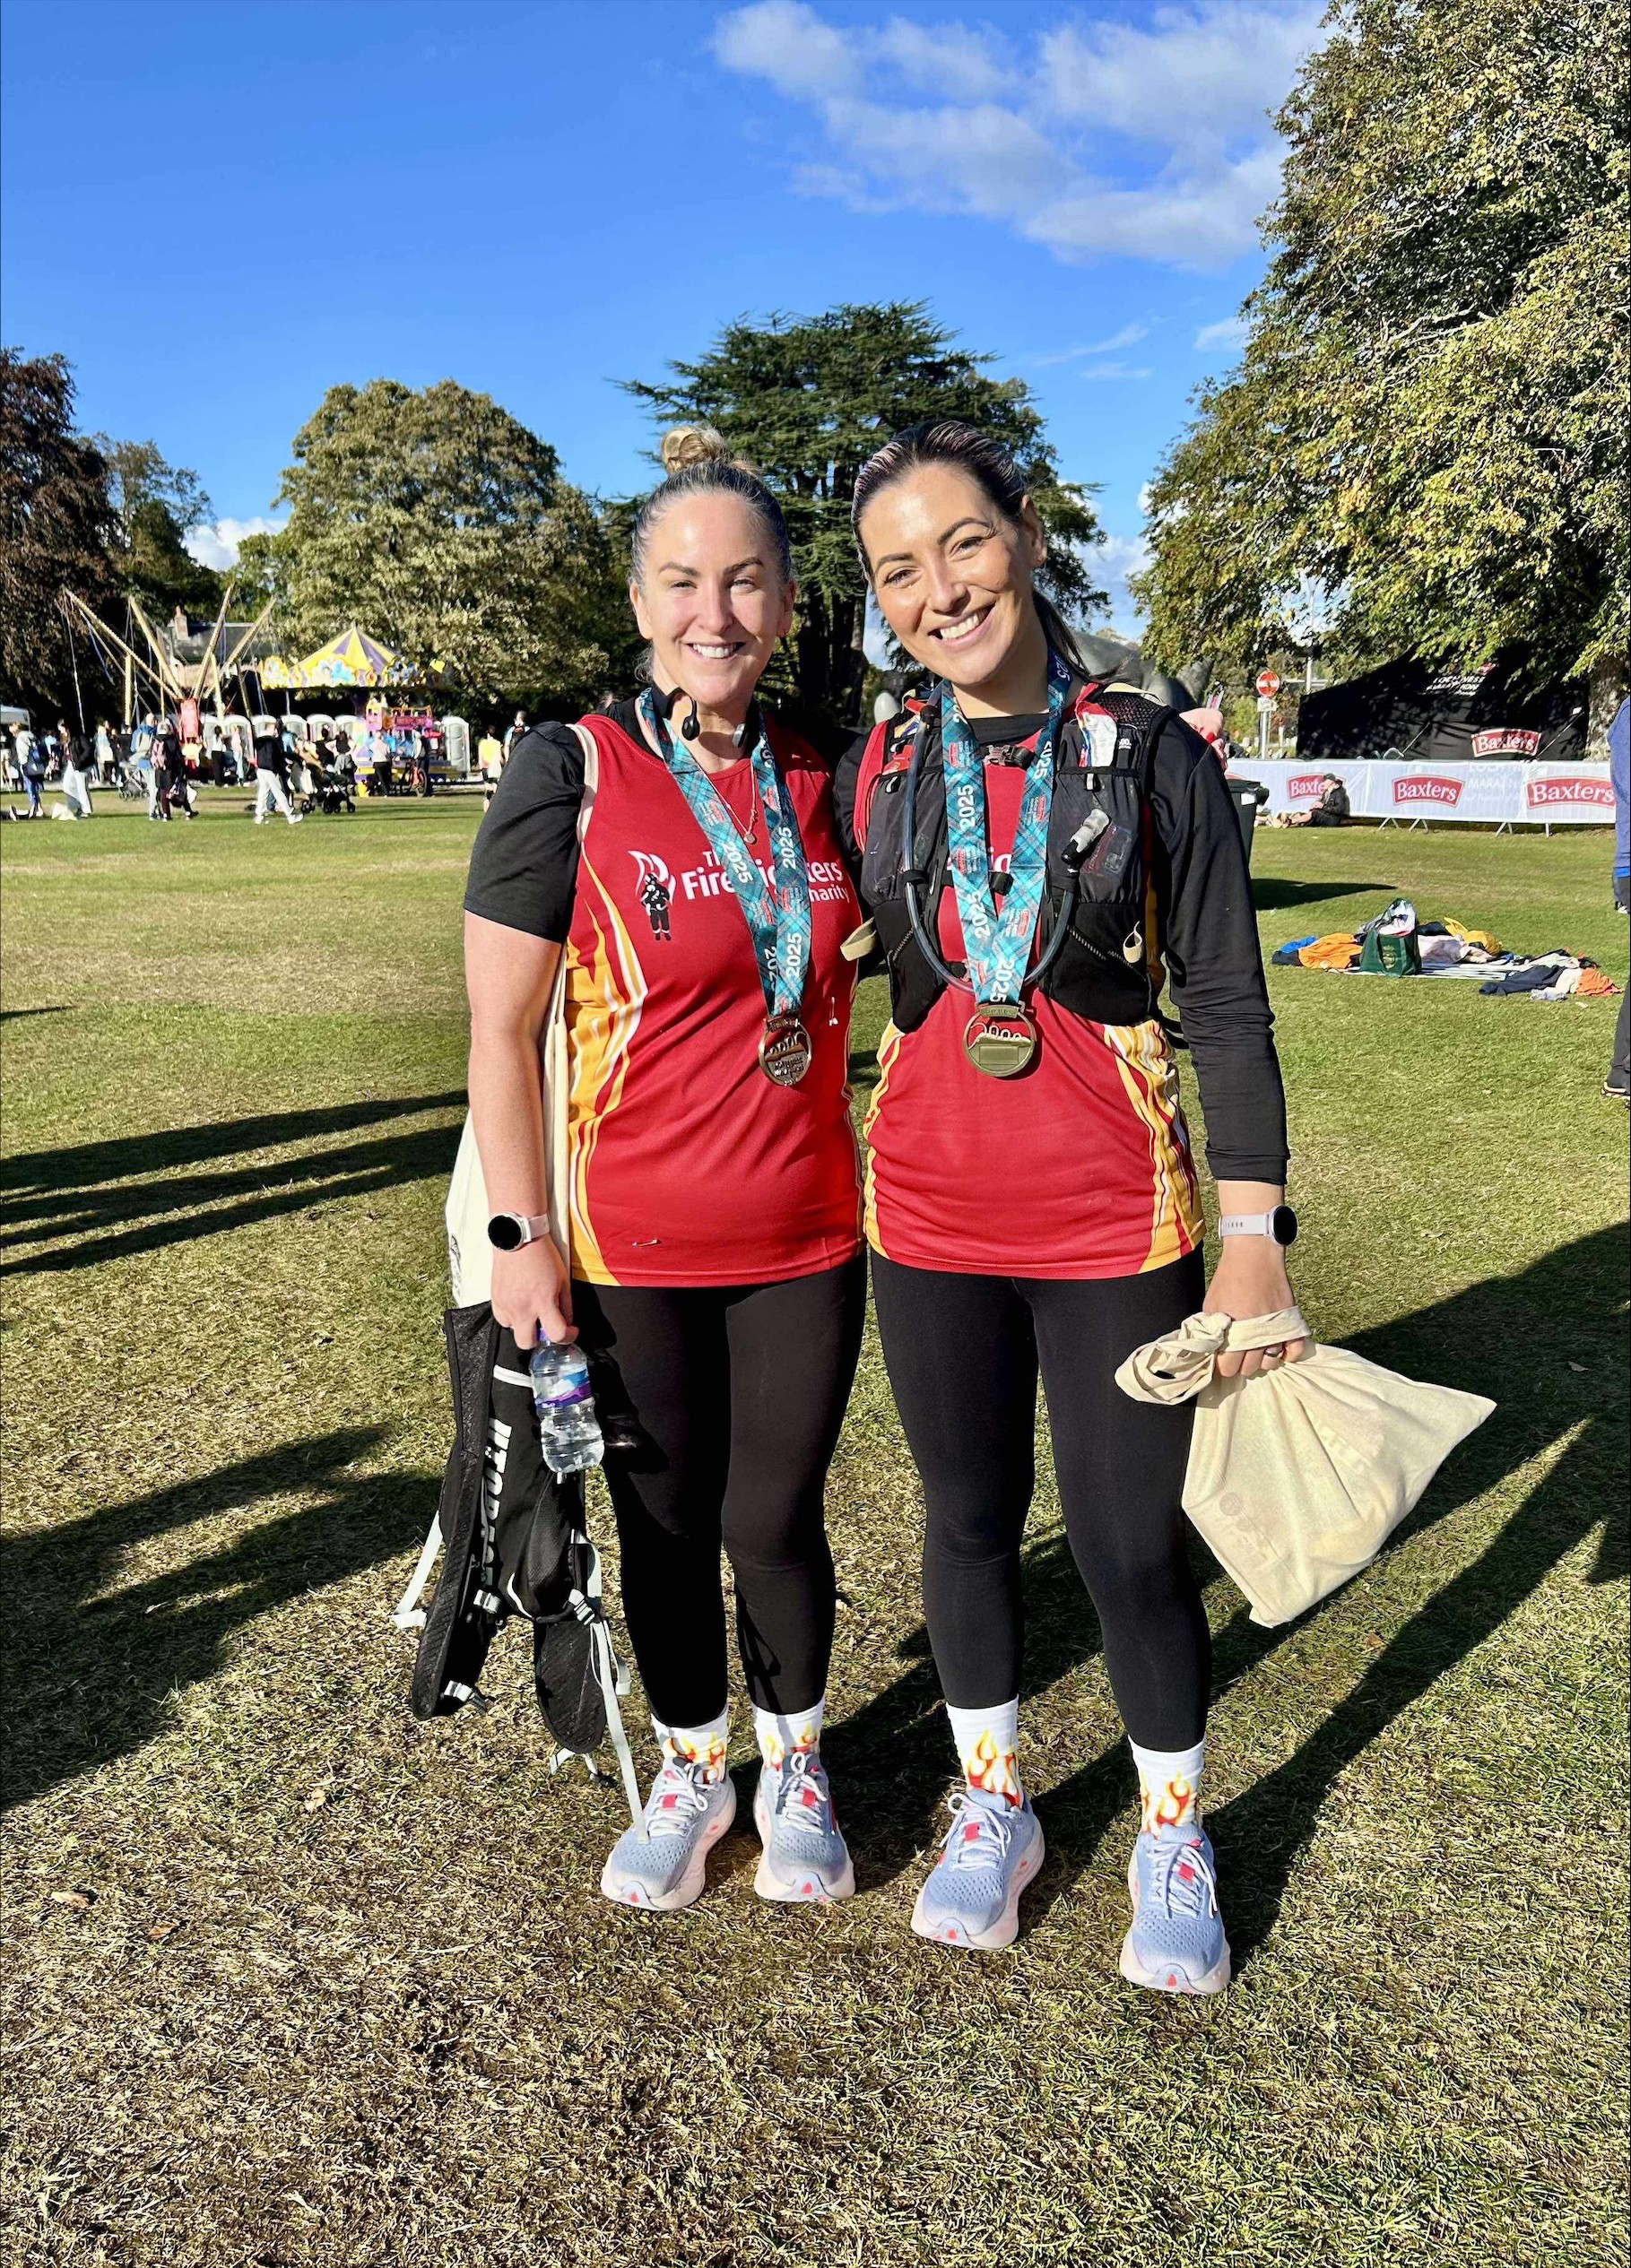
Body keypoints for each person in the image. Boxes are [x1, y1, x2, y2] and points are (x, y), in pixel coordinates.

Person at [837, 420, 1306, 1988]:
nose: (937, 589)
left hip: (1117, 1217)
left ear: (1025, 538)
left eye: (961, 543)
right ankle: (997, 1808)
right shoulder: (878, 763)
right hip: (924, 1218)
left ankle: (1172, 1827)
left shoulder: (1152, 751)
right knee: (964, 1526)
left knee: (1123, 1546)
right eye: (896, 569)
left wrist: (1250, 1235)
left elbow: (1228, 1005)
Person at [463, 425, 864, 1913]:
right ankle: (697, 1771)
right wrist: (521, 1235)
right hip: (624, 1243)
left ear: (784, 604)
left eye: (747, 582)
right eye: (684, 583)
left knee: (773, 1513)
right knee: (664, 1519)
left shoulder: (830, 770)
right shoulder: (566, 770)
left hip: (810, 1231)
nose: (716, 615)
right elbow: (498, 1035)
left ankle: (798, 1762)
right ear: (640, 604)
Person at [251, 724, 302, 826]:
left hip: (261, 769)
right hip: (270, 770)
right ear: (269, 729)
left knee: (263, 793)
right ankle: (290, 815)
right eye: (274, 729)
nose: (276, 731)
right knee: (278, 793)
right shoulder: (271, 741)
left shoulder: (259, 741)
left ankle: (259, 816)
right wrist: (278, 768)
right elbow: (273, 756)